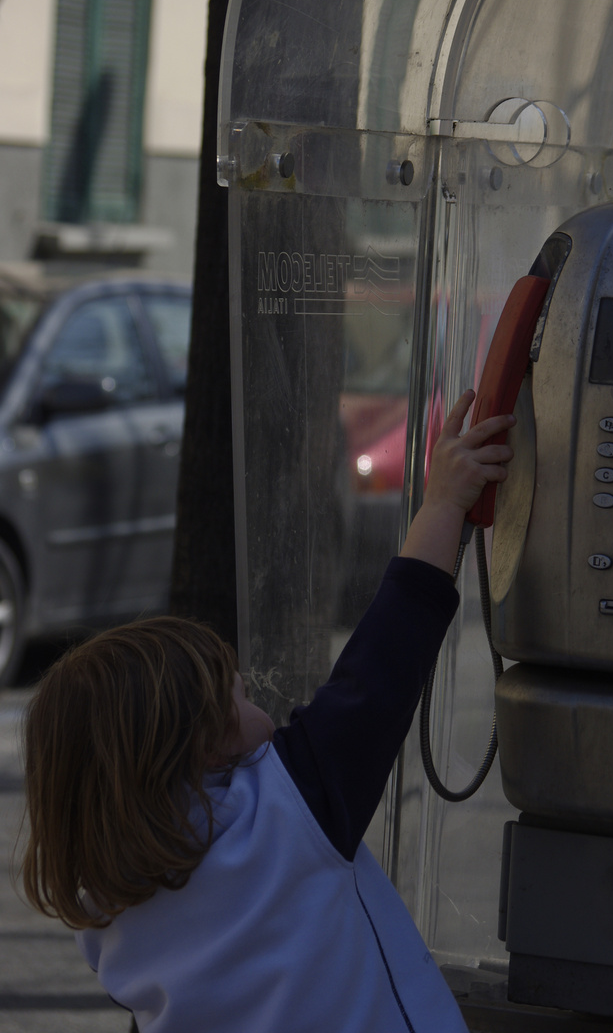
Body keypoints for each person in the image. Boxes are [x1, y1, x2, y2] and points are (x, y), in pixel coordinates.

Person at [20, 390, 515, 1033]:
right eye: (235, 690)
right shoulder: (292, 804)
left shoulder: (110, 910)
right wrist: (446, 500)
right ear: (201, 743)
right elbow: (388, 651)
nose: (249, 684)